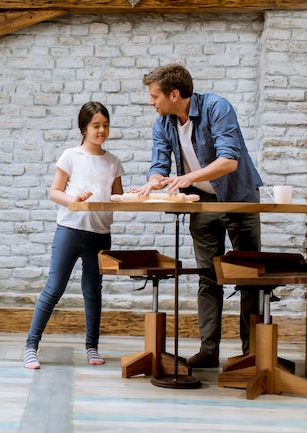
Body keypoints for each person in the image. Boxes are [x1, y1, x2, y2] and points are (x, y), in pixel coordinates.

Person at [131, 63, 264, 368]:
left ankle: (252, 353)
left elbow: (229, 161)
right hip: (202, 204)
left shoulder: (217, 108)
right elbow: (159, 164)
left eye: (155, 96)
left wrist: (188, 178)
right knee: (207, 275)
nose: (151, 102)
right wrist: (154, 180)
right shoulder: (163, 123)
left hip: (239, 198)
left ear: (174, 94)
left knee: (249, 277)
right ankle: (209, 350)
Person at [23, 101, 124, 369]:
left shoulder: (113, 162)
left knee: (92, 291)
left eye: (105, 125)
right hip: (70, 230)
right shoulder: (70, 156)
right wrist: (73, 199)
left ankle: (92, 347)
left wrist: (129, 197)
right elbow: (54, 192)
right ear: (84, 128)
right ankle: (31, 346)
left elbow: (116, 197)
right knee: (54, 288)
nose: (101, 130)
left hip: (100, 234)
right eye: (95, 126)